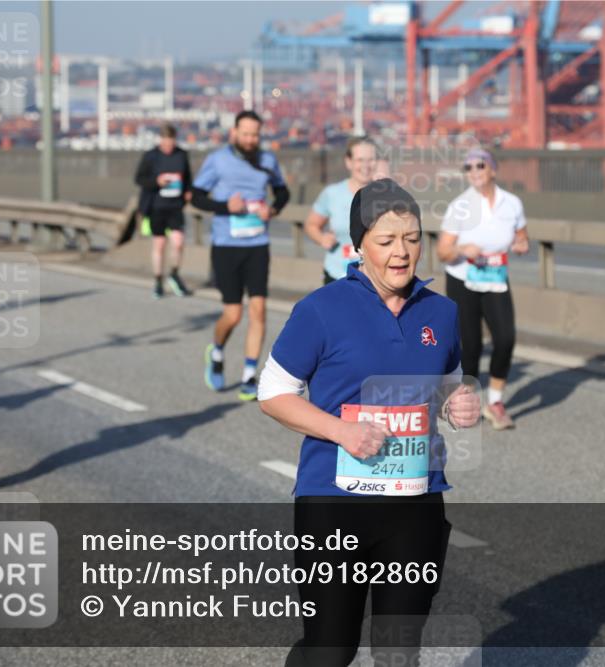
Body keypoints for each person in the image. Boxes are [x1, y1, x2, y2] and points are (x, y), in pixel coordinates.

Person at [258, 179, 480, 667]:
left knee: (399, 653)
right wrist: (341, 431)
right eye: (386, 240)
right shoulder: (321, 310)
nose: (402, 252)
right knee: (330, 651)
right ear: (359, 245)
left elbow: (447, 383)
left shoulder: (442, 312)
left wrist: (459, 404)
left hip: (416, 503)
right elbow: (272, 393)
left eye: (412, 238)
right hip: (334, 503)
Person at [191, 110, 290, 399]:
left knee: (258, 309)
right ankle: (217, 351)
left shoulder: (267, 160)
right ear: (234, 133)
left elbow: (282, 193)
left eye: (255, 135)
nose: (250, 139)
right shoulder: (218, 160)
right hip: (226, 245)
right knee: (233, 314)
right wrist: (225, 207)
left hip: (258, 244)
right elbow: (196, 197)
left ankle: (249, 374)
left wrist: (272, 209)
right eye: (245, 134)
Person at [437, 148, 529, 430]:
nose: (474, 171)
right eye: (468, 167)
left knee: (505, 338)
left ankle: (495, 402)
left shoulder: (512, 203)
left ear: (493, 169)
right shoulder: (459, 206)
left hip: (495, 277)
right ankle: (464, 403)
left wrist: (521, 245)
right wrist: (462, 249)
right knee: (471, 345)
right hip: (463, 278)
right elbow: (442, 251)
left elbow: (522, 237)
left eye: (480, 165)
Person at [303, 136, 377, 284]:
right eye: (360, 160)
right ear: (348, 162)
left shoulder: (385, 195)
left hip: (374, 278)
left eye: (370, 160)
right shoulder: (332, 193)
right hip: (337, 275)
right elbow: (311, 225)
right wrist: (322, 238)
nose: (366, 165)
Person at [133, 123, 193, 299]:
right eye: (165, 141)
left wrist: (188, 191)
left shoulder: (181, 155)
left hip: (175, 206)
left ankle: (174, 274)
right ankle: (158, 280)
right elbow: (139, 179)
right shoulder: (151, 156)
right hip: (156, 206)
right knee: (159, 244)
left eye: (171, 141)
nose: (168, 145)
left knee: (178, 241)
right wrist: (156, 181)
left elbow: (188, 177)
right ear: (160, 140)